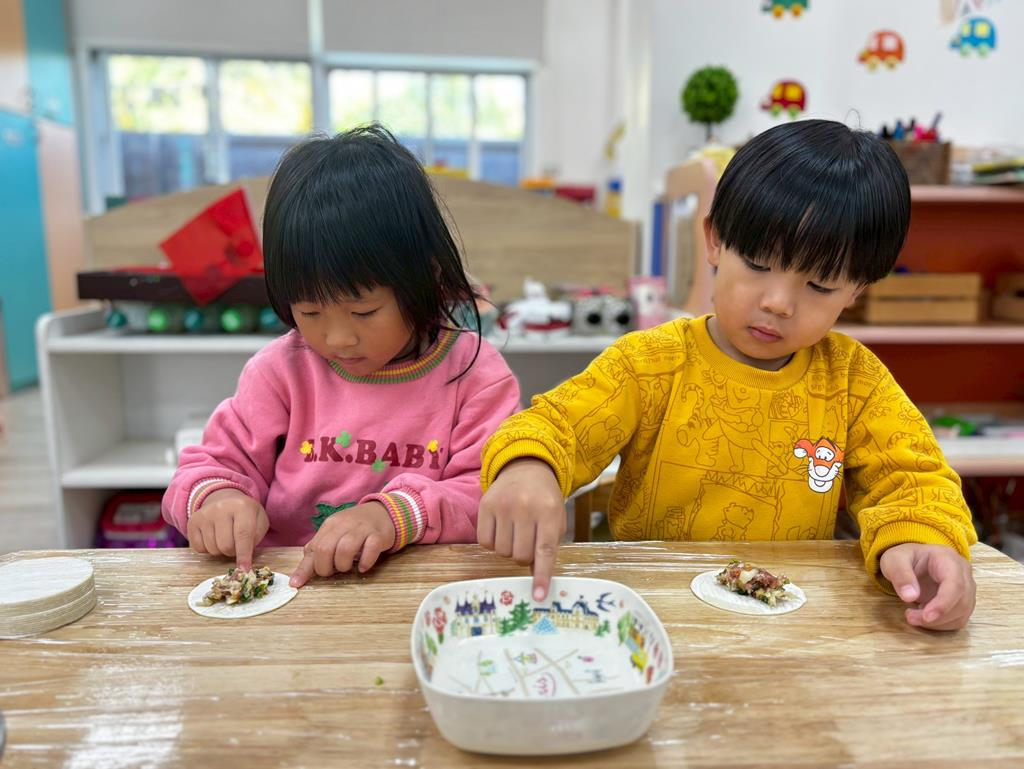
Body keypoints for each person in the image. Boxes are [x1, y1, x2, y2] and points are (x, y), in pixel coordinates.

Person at [477, 119, 977, 630]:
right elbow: (555, 427)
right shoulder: (649, 363)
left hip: (786, 624)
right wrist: (528, 468)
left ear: (856, 290)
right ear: (715, 240)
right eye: (758, 263)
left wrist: (921, 540)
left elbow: (910, 479)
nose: (778, 303)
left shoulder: (854, 380)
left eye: (820, 286)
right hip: (653, 614)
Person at [163, 125, 520, 587]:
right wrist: (216, 499)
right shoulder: (280, 372)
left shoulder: (476, 375)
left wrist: (393, 516)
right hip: (292, 591)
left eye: (363, 311)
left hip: (419, 591)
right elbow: (209, 466)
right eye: (309, 312)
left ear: (426, 278)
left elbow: (488, 492)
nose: (337, 339)